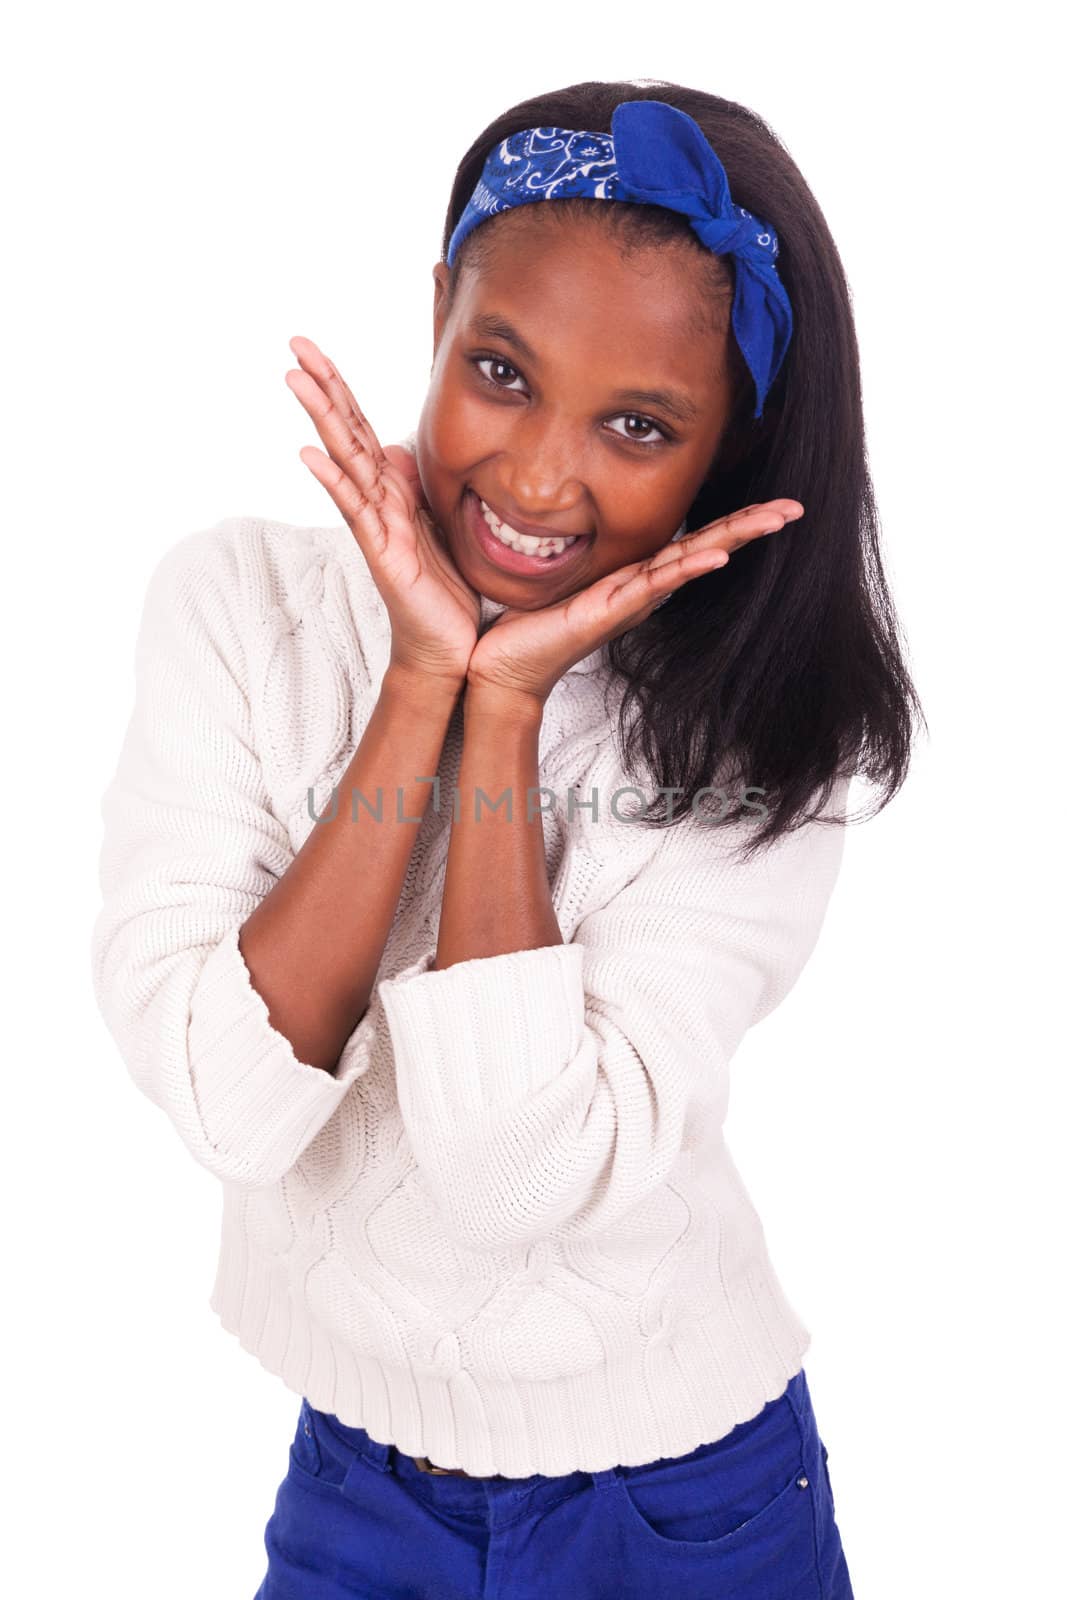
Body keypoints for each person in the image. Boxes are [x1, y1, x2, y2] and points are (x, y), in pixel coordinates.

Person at [89, 80, 922, 1599]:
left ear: (723, 451)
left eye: (639, 424)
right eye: (500, 369)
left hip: (682, 1502)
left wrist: (509, 710)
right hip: (357, 1470)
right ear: (437, 314)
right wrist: (423, 677)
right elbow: (224, 1101)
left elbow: (508, 1173)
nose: (541, 477)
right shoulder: (234, 610)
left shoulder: (755, 735)